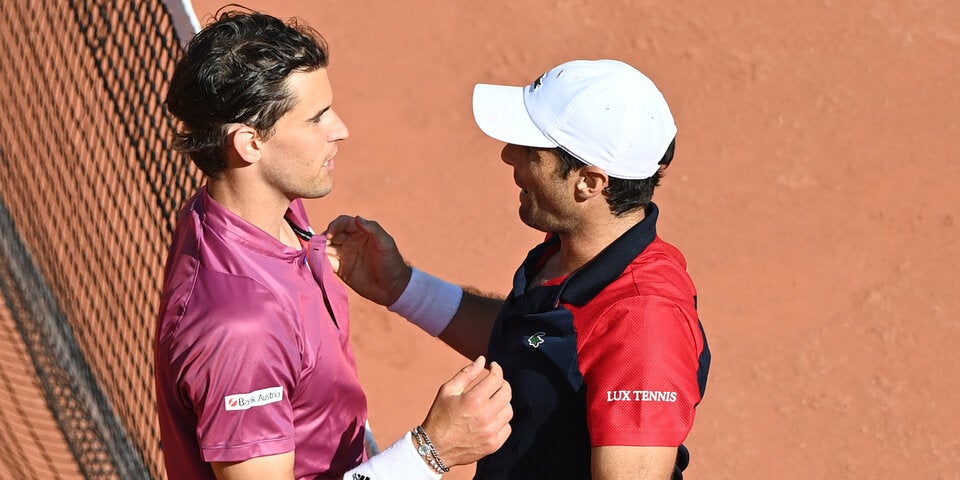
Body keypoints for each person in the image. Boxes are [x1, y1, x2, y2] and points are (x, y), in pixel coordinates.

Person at [154, 10, 512, 480]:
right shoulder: (242, 332)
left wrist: (401, 286)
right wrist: (431, 451)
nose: (339, 129)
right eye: (316, 118)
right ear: (250, 144)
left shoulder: (266, 210)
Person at [325, 59, 711, 479]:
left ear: (589, 182)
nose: (509, 155)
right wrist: (403, 287)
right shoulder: (572, 253)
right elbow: (539, 345)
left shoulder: (645, 324)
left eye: (531, 150)